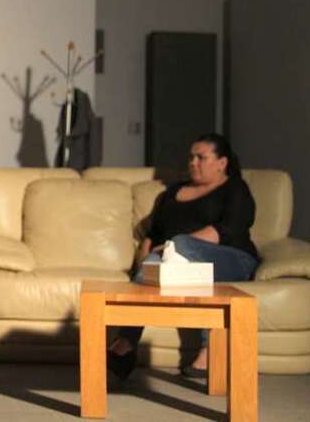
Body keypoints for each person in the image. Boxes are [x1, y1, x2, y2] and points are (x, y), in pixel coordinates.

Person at [108, 133, 259, 380]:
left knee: (180, 244)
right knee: (153, 264)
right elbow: (153, 235)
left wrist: (174, 247)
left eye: (201, 157)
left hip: (232, 259)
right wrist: (144, 266)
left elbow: (229, 229)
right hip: (174, 263)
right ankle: (126, 343)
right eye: (191, 157)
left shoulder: (235, 188)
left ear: (222, 163)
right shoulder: (173, 193)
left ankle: (209, 349)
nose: (193, 163)